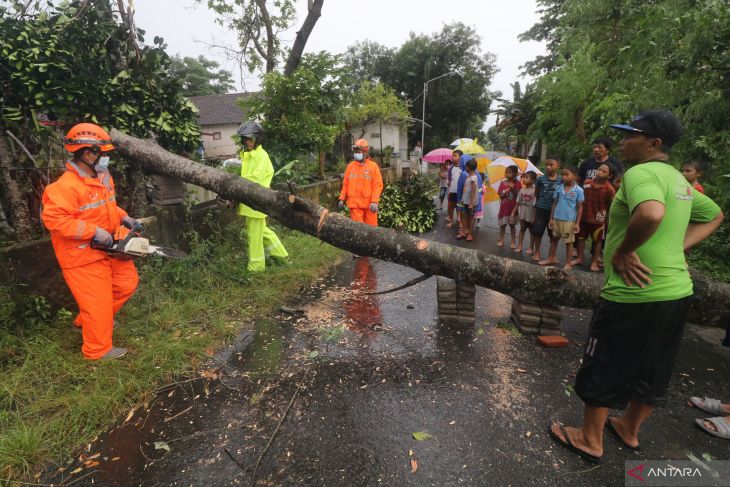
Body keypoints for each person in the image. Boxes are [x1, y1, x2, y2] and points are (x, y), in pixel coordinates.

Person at [549, 109, 724, 463]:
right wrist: (676, 247)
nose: (624, 141)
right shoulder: (678, 180)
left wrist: (624, 251)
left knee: (605, 361)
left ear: (654, 144)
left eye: (632, 135)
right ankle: (628, 429)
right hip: (676, 292)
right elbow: (715, 215)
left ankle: (590, 439)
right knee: (655, 364)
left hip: (633, 291)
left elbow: (651, 214)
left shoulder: (641, 174)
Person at [41, 123, 140, 360]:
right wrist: (91, 231)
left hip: (107, 248)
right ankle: (97, 350)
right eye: (102, 153)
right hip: (80, 255)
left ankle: (89, 321)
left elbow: (107, 207)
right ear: (88, 153)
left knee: (127, 283)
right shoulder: (63, 188)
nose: (106, 158)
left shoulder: (102, 178)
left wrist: (123, 216)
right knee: (97, 303)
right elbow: (54, 220)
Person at [236, 121, 289, 272]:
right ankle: (282, 256)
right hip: (250, 201)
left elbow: (255, 179)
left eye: (250, 139)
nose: (248, 142)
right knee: (262, 231)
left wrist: (235, 185)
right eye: (245, 139)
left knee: (254, 236)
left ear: (257, 139)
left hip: (256, 201)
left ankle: (256, 267)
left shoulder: (261, 156)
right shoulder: (249, 155)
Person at [572, 163, 616, 271]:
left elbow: (611, 205)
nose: (600, 172)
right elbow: (581, 199)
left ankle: (595, 262)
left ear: (609, 176)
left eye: (604, 171)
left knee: (597, 241)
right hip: (584, 217)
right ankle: (579, 257)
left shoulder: (610, 190)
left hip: (598, 221)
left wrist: (606, 218)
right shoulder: (587, 183)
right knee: (581, 238)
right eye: (599, 169)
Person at [543, 166, 584, 270]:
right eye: (563, 174)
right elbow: (554, 203)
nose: (564, 177)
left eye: (567, 174)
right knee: (554, 239)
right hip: (556, 218)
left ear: (574, 176)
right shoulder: (559, 188)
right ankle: (551, 258)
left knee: (569, 242)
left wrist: (577, 223)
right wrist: (551, 218)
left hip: (569, 221)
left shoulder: (579, 190)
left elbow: (579, 207)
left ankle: (568, 263)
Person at [339, 138, 384, 227]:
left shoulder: (373, 167)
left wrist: (374, 202)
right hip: (355, 205)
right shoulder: (350, 167)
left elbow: (377, 186)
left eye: (358, 152)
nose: (356, 154)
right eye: (355, 152)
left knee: (372, 231)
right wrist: (342, 198)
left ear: (365, 152)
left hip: (369, 205)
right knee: (358, 231)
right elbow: (345, 184)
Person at [529, 157, 562, 261]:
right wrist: (540, 203)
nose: (548, 167)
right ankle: (537, 252)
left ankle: (552, 255)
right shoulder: (540, 179)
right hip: (541, 209)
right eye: (547, 165)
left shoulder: (561, 180)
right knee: (538, 232)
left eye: (551, 165)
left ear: (558, 166)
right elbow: (537, 192)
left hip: (555, 212)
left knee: (553, 234)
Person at [455, 154, 482, 239]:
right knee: (465, 215)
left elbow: (460, 189)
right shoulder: (476, 175)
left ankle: (467, 232)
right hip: (464, 200)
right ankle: (464, 231)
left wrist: (469, 203)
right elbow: (479, 189)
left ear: (468, 167)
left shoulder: (465, 174)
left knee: (468, 215)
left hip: (466, 201)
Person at [497, 165, 522, 248]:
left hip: (512, 209)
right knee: (502, 225)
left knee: (512, 225)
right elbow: (500, 194)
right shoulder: (502, 183)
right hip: (504, 208)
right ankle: (501, 240)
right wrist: (504, 192)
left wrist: (512, 189)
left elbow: (518, 196)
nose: (507, 174)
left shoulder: (518, 183)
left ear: (515, 174)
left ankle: (513, 241)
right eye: (506, 172)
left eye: (510, 173)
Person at [512, 170, 537, 253]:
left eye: (526, 178)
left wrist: (534, 217)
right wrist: (513, 212)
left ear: (533, 180)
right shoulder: (521, 190)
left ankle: (530, 248)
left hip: (531, 216)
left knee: (532, 232)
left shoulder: (534, 191)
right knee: (522, 230)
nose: (524, 179)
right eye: (523, 177)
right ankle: (520, 246)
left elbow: (535, 206)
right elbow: (517, 203)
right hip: (522, 215)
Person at [446, 151, 463, 227]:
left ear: (460, 157)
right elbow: (449, 178)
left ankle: (460, 221)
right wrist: (448, 183)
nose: (453, 157)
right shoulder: (451, 168)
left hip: (460, 192)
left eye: (455, 156)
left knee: (459, 207)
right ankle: (451, 221)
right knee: (450, 207)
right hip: (452, 191)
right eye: (453, 156)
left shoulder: (462, 168)